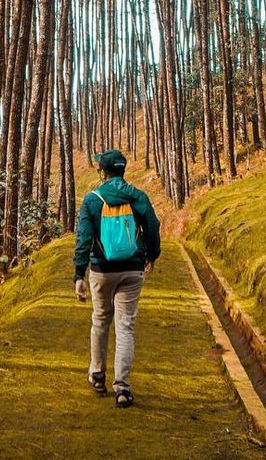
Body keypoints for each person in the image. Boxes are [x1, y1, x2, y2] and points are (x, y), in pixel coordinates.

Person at [73, 148, 161, 408]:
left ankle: (98, 375)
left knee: (100, 320)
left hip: (101, 270)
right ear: (123, 170)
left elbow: (84, 238)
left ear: (103, 171)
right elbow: (153, 226)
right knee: (125, 327)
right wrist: (152, 255)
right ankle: (122, 388)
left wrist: (79, 273)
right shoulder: (137, 197)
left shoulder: (92, 199)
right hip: (133, 269)